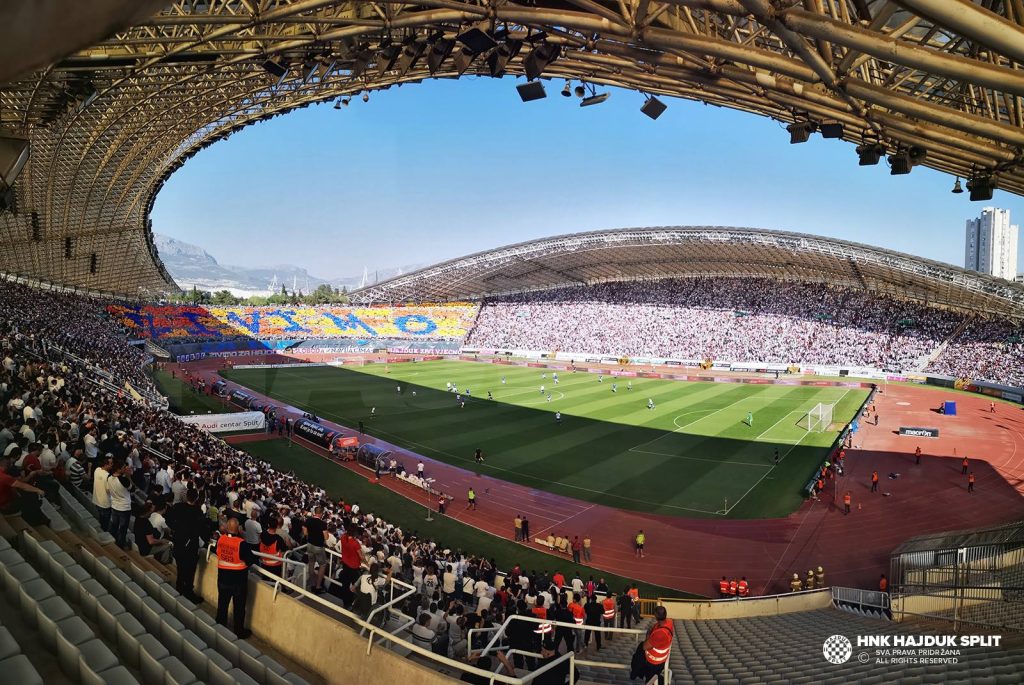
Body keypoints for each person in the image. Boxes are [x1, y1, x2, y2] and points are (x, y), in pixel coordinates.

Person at [215, 517, 255, 638]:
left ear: (227, 528)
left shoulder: (221, 539)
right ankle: (239, 631)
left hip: (223, 580)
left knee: (222, 605)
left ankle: (219, 627)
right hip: (238, 583)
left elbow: (218, 553)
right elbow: (251, 560)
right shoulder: (242, 544)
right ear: (238, 529)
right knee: (239, 609)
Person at [166, 487, 208, 601]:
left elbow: (168, 520)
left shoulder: (178, 507)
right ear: (196, 498)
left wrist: (177, 529)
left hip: (179, 543)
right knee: (189, 571)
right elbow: (201, 530)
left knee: (180, 568)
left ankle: (179, 588)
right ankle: (188, 592)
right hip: (190, 547)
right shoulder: (198, 512)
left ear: (187, 496)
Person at [629, 606, 673, 684]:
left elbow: (645, 646)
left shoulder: (660, 634)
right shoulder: (669, 622)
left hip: (654, 662)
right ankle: (635, 673)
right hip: (661, 659)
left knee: (650, 679)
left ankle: (635, 673)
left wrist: (648, 635)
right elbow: (654, 628)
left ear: (655, 616)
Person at [303, 506, 329, 594]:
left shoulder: (309, 520)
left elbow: (305, 532)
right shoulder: (322, 523)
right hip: (318, 547)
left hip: (309, 544)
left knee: (311, 563)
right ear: (321, 514)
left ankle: (313, 583)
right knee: (322, 565)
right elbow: (326, 537)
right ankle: (317, 586)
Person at [258, 513, 289, 578]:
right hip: (275, 565)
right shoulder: (278, 539)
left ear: (268, 525)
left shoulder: (262, 535)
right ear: (277, 526)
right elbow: (285, 549)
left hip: (264, 563)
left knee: (265, 580)